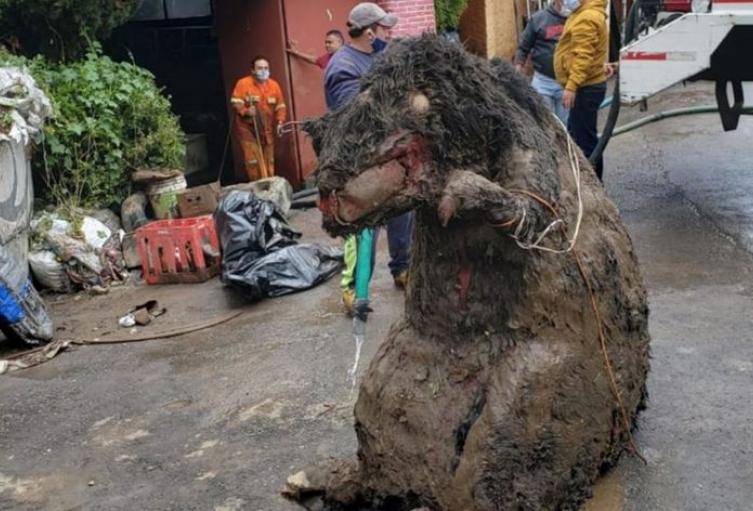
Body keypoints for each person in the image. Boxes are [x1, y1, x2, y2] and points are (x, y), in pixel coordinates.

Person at [324, 2, 412, 315]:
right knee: (365, 226)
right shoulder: (343, 67)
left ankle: (402, 268)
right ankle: (354, 290)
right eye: (385, 28)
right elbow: (356, 118)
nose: (391, 33)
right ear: (369, 32)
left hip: (391, 154)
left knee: (403, 212)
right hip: (360, 162)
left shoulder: (380, 56)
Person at [554, 0, 608, 180]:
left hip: (586, 88)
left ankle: (593, 188)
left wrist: (571, 86)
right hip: (588, 85)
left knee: (584, 142)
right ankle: (588, 184)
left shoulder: (587, 17)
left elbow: (582, 56)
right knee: (578, 136)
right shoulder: (582, 13)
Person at [230, 56, 287, 181]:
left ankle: (270, 183)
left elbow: (280, 106)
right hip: (248, 129)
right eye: (260, 68)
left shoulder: (274, 86)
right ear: (253, 70)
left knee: (269, 159)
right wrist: (245, 111)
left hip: (266, 129)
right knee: (253, 160)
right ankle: (257, 186)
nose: (263, 71)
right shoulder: (243, 83)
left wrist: (280, 121)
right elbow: (235, 101)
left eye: (266, 68)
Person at [514, 0, 568, 123]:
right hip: (543, 82)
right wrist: (517, 69)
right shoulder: (539, 19)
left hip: (567, 84)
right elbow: (523, 48)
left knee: (565, 127)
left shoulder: (578, 19)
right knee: (544, 123)